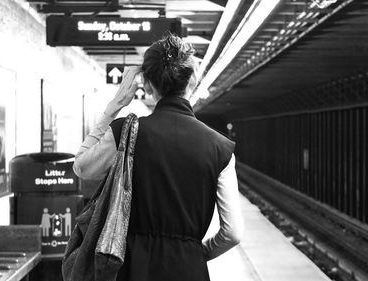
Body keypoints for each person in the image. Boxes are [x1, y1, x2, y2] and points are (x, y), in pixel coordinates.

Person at [73, 35, 244, 281]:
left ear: (148, 86)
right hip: (189, 270)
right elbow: (233, 233)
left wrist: (115, 104)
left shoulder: (125, 132)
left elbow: (81, 167)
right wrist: (195, 254)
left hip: (131, 268)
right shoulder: (221, 148)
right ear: (193, 80)